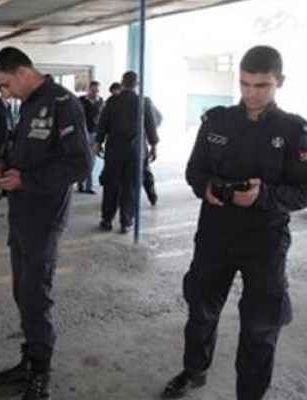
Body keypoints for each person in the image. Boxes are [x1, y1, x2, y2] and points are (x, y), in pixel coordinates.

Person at [162, 45, 307, 400]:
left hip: (265, 241)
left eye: (261, 85)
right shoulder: (217, 121)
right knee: (201, 310)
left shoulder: (294, 130)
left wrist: (263, 196)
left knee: (260, 326)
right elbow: (195, 170)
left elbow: (303, 191)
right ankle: (194, 370)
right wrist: (207, 187)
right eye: (244, 84)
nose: (251, 93)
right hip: (215, 234)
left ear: (279, 82)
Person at [0, 47, 91, 400]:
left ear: (21, 72)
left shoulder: (63, 103)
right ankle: (29, 361)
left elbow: (80, 164)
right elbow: (25, 150)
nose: (5, 92)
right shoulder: (28, 104)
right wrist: (3, 165)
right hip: (21, 214)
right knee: (22, 292)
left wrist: (26, 180)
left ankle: (41, 374)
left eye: (5, 84)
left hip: (44, 218)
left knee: (35, 296)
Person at [93, 71, 158, 233]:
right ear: (137, 84)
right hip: (135, 152)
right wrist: (154, 146)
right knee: (131, 186)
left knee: (111, 185)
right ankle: (126, 221)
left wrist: (98, 143)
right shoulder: (144, 102)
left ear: (122, 83)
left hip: (114, 151)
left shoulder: (112, 101)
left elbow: (102, 124)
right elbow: (151, 125)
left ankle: (107, 220)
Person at [77, 80, 104, 194]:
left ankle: (88, 186)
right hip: (84, 133)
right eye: (93, 90)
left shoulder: (101, 101)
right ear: (89, 90)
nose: (95, 93)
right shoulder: (81, 100)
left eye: (97, 90)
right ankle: (81, 183)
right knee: (83, 158)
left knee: (91, 160)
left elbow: (103, 116)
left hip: (95, 133)